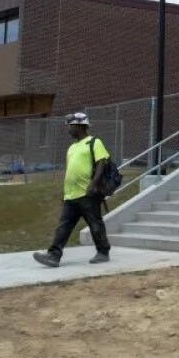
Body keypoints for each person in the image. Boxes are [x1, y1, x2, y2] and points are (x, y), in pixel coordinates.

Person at [34, 112, 111, 267]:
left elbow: (102, 163)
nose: (68, 130)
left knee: (95, 224)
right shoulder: (72, 148)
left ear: (79, 126)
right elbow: (71, 170)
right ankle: (53, 255)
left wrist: (94, 184)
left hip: (87, 193)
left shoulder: (94, 142)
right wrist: (65, 193)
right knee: (64, 226)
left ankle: (103, 252)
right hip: (71, 195)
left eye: (70, 126)